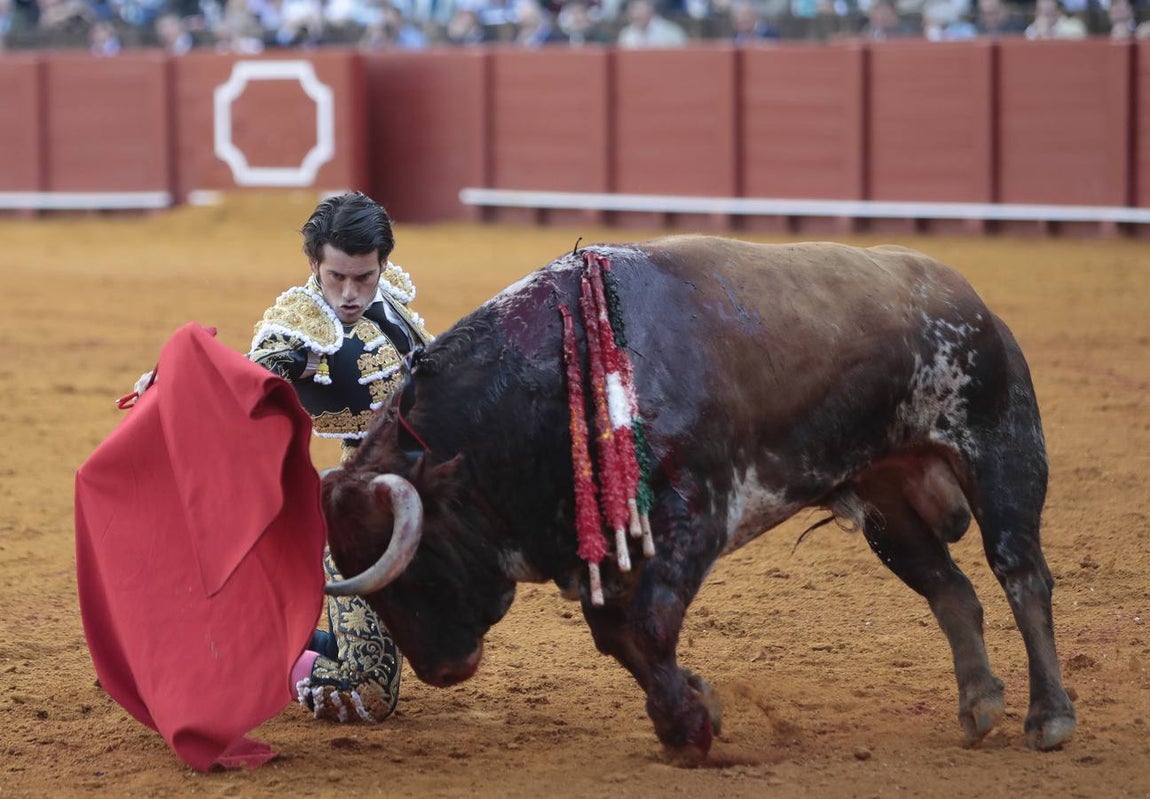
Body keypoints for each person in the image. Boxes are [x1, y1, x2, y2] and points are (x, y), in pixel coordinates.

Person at [247, 191, 434, 724]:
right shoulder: (298, 331)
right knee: (366, 695)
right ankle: (253, 648)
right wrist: (176, 382)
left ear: (382, 266)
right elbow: (244, 379)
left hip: (432, 489)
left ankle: (274, 629)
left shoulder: (388, 297)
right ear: (314, 265)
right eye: (336, 278)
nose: (350, 294)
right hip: (362, 511)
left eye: (364, 277)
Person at [616, 0, 688, 47]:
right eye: (632, 10)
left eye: (639, 9)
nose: (636, 14)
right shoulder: (626, 34)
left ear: (650, 9)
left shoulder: (671, 32)